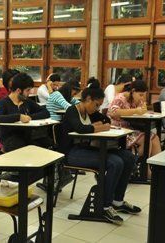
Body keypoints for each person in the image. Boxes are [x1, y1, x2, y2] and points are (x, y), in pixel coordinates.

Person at [59, 81, 141, 225]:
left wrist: (97, 125)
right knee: (115, 162)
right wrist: (97, 127)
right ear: (88, 99)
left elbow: (106, 120)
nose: (97, 108)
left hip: (86, 149)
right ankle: (104, 205)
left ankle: (117, 201)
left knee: (128, 157)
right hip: (72, 153)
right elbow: (81, 129)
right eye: (96, 105)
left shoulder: (91, 112)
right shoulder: (73, 110)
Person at [0, 73, 51, 152]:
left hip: (27, 137)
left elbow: (46, 112)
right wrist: (18, 117)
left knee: (47, 142)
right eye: (27, 90)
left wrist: (30, 117)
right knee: (19, 145)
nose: (29, 93)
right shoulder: (2, 103)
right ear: (18, 90)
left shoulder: (26, 102)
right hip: (10, 139)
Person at [108, 80, 161, 159]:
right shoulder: (120, 98)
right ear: (133, 91)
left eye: (144, 95)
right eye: (140, 95)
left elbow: (140, 111)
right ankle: (140, 167)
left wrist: (143, 108)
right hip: (119, 131)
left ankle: (156, 167)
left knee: (155, 138)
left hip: (131, 129)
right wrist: (136, 111)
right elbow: (114, 112)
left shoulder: (134, 100)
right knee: (146, 140)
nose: (142, 98)